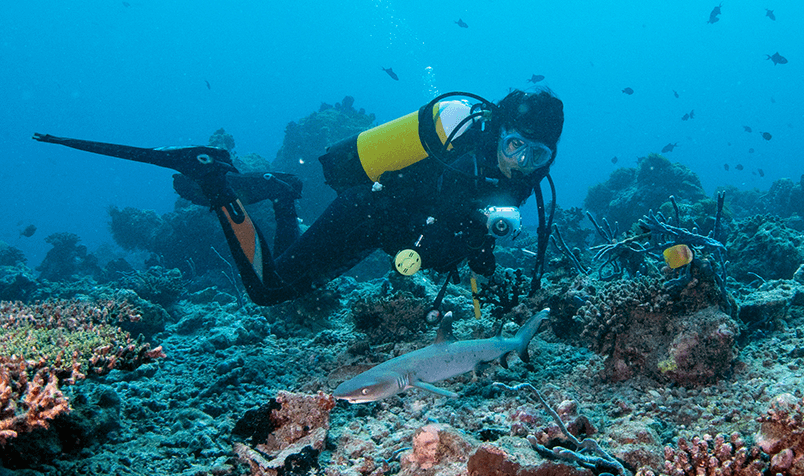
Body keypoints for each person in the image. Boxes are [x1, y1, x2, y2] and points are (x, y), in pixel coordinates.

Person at [33, 88, 564, 306]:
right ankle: (216, 181)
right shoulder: (465, 148)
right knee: (268, 291)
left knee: (291, 281)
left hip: (386, 225)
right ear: (501, 134)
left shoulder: (521, 179)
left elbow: (464, 229)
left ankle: (281, 195)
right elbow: (434, 212)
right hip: (367, 210)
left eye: (536, 156)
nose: (519, 162)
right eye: (515, 146)